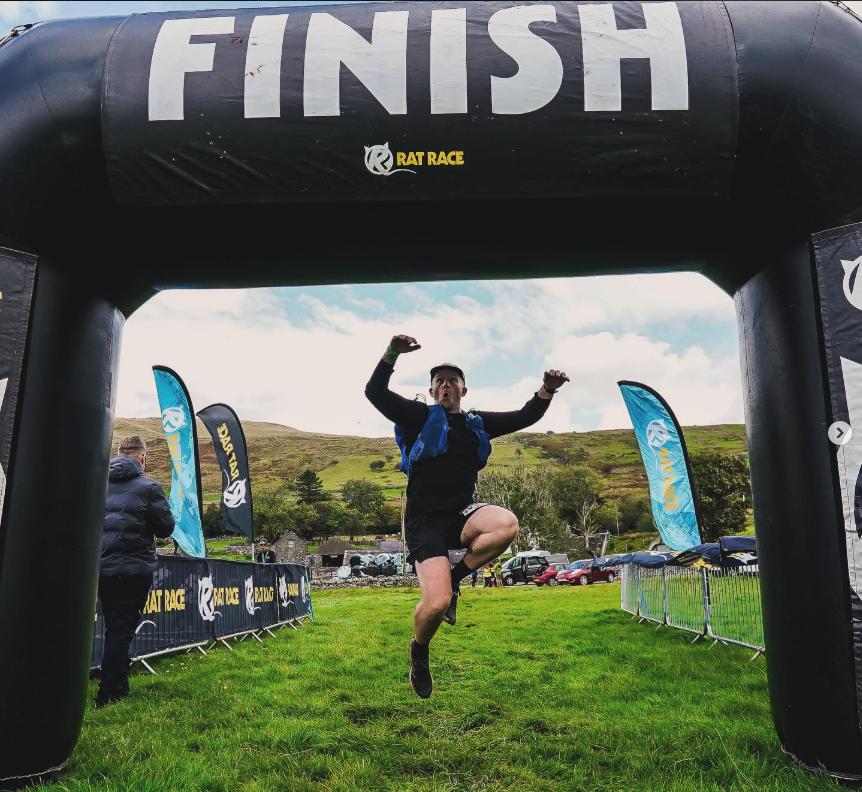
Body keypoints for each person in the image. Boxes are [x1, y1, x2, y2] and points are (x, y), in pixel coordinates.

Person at [365, 334, 569, 698]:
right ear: (431, 392)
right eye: (439, 381)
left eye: (452, 380)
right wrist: (393, 352)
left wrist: (547, 389)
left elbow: (524, 415)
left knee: (506, 524)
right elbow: (375, 392)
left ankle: (457, 578)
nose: (445, 385)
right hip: (424, 522)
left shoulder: (477, 422)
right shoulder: (417, 417)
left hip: (460, 514)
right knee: (436, 603)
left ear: (463, 389)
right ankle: (420, 651)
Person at [98, 435, 175, 708]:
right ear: (142, 457)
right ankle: (108, 693)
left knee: (113, 627)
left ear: (119, 454)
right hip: (134, 567)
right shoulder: (149, 487)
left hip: (101, 566)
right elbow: (165, 528)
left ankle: (120, 684)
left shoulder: (97, 483)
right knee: (122, 629)